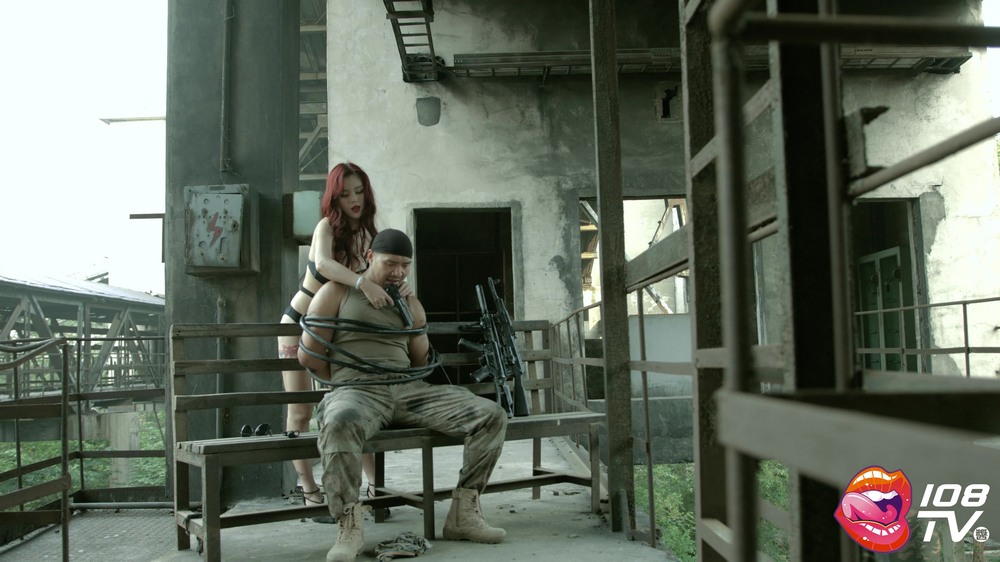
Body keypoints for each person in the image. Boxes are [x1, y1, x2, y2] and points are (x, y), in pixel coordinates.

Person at [298, 229, 508, 562]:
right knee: (339, 422)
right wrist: (347, 381)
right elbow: (309, 356)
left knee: (491, 415)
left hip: (408, 389)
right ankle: (349, 525)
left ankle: (464, 514)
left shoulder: (407, 300)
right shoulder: (336, 291)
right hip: (358, 390)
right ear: (370, 257)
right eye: (390, 263)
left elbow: (419, 361)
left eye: (404, 265)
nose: (398, 272)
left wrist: (412, 308)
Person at [278, 162, 409, 507]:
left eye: (359, 191)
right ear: (334, 198)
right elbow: (324, 264)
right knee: (300, 413)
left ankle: (375, 487)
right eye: (345, 193)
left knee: (353, 406)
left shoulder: (369, 235)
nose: (354, 199)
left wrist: (399, 283)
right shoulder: (326, 227)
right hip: (299, 325)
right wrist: (363, 282)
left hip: (339, 332)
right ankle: (309, 489)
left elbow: (384, 274)